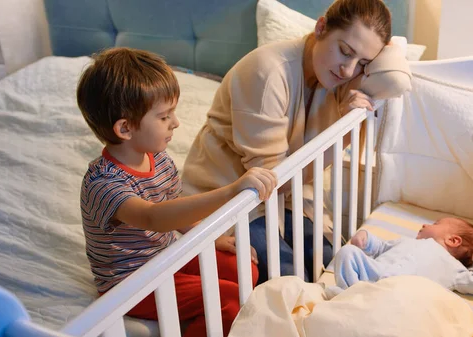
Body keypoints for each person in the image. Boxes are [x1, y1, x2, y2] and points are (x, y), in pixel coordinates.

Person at [181, 0, 412, 284]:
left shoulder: (338, 76)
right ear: (321, 26)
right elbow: (273, 181)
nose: (349, 71)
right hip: (236, 197)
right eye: (345, 51)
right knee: (292, 278)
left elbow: (396, 79)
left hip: (288, 197)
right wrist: (341, 131)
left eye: (364, 63)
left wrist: (383, 51)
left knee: (335, 265)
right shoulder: (267, 73)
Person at [77, 47, 277, 337]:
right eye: (164, 116)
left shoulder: (157, 157)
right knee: (227, 297)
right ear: (125, 128)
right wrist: (231, 191)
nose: (175, 122)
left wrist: (212, 238)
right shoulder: (103, 183)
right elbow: (154, 217)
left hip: (166, 256)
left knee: (245, 269)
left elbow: (174, 209)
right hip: (131, 284)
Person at [332, 217, 473, 297]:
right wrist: (365, 238)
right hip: (374, 274)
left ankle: (355, 298)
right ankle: (349, 294)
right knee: (347, 252)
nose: (424, 225)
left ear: (453, 240)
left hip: (403, 292)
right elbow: (382, 247)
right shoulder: (406, 242)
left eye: (435, 224)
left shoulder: (454, 268)